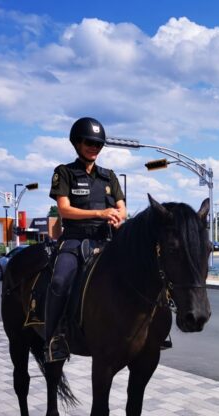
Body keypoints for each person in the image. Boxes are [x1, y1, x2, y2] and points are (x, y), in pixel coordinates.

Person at [45, 117, 126, 362]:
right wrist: (99, 213)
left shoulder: (109, 176)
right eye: (89, 142)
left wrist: (118, 218)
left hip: (106, 241)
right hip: (75, 241)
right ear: (77, 143)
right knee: (59, 282)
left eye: (98, 144)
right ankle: (54, 338)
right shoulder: (65, 172)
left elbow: (122, 209)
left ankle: (154, 332)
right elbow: (64, 210)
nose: (94, 147)